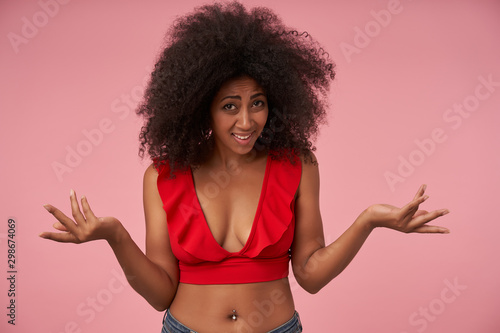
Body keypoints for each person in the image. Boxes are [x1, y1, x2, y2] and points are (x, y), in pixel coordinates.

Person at [40, 2, 450, 332]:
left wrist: (369, 220)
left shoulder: (298, 166)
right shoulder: (163, 177)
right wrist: (114, 235)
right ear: (202, 110)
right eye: (229, 106)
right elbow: (161, 294)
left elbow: (310, 275)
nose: (247, 121)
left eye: (258, 102)